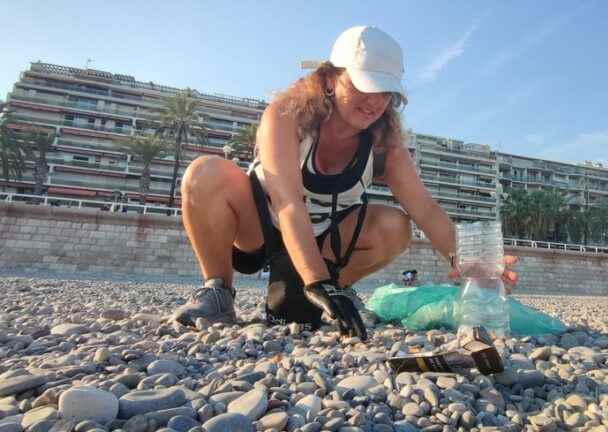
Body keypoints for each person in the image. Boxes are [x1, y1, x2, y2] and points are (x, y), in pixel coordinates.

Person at [172, 26, 519, 340]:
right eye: (362, 86)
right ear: (328, 79)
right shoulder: (285, 114)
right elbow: (288, 201)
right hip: (263, 226)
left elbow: (426, 209)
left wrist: (476, 266)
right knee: (206, 172)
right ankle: (217, 292)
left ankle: (338, 288)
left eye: (384, 92)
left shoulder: (386, 144)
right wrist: (315, 280)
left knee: (395, 224)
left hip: (325, 241)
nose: (373, 102)